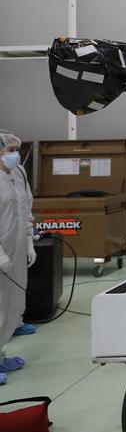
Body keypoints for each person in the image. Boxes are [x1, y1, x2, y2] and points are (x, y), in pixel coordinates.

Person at [0, 130, 36, 385]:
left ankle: (1, 354)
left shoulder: (16, 175)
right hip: (2, 253)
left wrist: (28, 242)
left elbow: (25, 210)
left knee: (13, 304)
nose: (15, 155)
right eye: (10, 150)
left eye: (16, 150)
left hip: (16, 249)